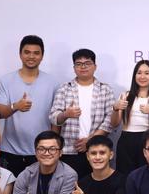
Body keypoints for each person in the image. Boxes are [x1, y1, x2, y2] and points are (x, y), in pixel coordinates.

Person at [0, 35, 59, 194]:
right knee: (11, 192)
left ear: (42, 55)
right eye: (27, 52)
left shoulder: (52, 82)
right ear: (20, 54)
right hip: (11, 149)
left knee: (42, 193)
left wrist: (54, 145)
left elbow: (55, 117)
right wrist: (16, 105)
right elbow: (0, 112)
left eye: (36, 52)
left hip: (41, 152)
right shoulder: (6, 80)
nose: (31, 56)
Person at [49, 48, 115, 180]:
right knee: (70, 190)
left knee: (95, 189)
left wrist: (90, 140)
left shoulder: (105, 89)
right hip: (69, 150)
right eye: (79, 64)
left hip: (97, 151)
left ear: (95, 66)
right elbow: (54, 117)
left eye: (87, 63)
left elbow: (111, 120)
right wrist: (66, 114)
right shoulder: (64, 88)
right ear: (74, 68)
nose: (83, 67)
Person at [110, 60, 149, 177]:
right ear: (134, 75)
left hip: (147, 141)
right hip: (126, 140)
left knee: (146, 176)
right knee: (125, 177)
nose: (142, 76)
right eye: (139, 73)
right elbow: (114, 124)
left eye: (147, 73)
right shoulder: (125, 95)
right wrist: (115, 108)